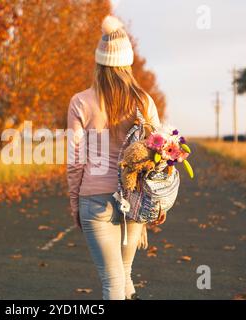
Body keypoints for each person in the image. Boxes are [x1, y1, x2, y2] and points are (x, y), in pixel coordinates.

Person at [66, 15, 165, 300]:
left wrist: (75, 202)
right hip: (133, 201)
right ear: (127, 64)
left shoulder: (80, 102)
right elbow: (158, 161)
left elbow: (75, 160)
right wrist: (153, 206)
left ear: (99, 63)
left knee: (113, 281)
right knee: (122, 274)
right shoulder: (143, 102)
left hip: (94, 201)